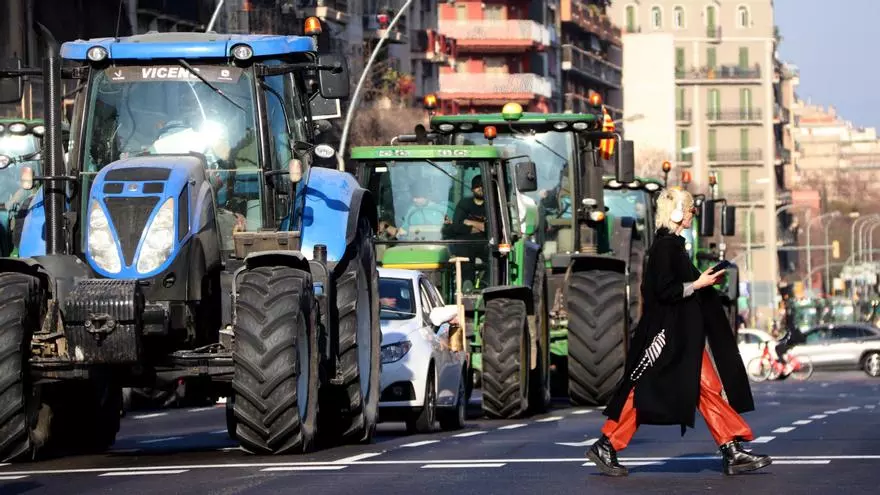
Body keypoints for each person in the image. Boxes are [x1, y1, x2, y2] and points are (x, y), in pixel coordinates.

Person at [587, 187, 772, 477]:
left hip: (683, 334)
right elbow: (662, 290)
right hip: (667, 335)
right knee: (645, 389)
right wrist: (697, 285)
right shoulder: (664, 247)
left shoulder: (673, 245)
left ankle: (731, 448)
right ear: (675, 213)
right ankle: (608, 442)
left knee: (706, 388)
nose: (691, 214)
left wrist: (705, 287)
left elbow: (677, 287)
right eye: (689, 210)